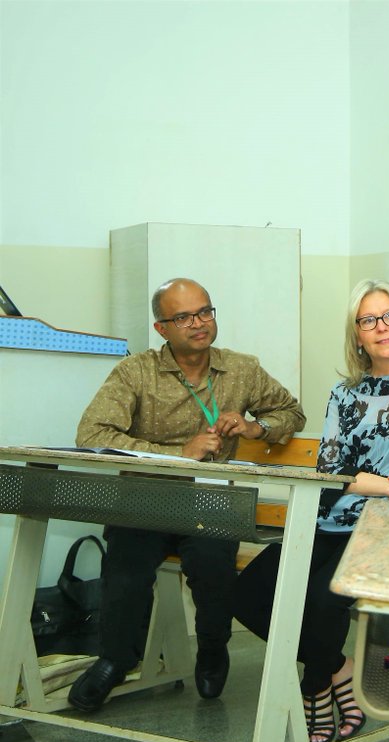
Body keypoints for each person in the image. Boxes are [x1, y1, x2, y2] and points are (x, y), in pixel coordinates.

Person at [233, 278, 389, 742]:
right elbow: (332, 471)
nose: (382, 327)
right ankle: (338, 669)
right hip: (336, 518)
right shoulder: (346, 395)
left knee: (323, 600)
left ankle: (314, 686)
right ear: (357, 335)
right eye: (369, 321)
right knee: (247, 594)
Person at [68, 278, 306, 712]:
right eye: (183, 317)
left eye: (204, 311)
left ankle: (213, 648)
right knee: (126, 565)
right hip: (146, 495)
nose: (198, 323)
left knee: (213, 565)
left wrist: (256, 428)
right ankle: (115, 660)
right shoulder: (135, 371)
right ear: (161, 328)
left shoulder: (242, 369)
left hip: (211, 500)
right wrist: (178, 453)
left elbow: (291, 412)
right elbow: (92, 434)